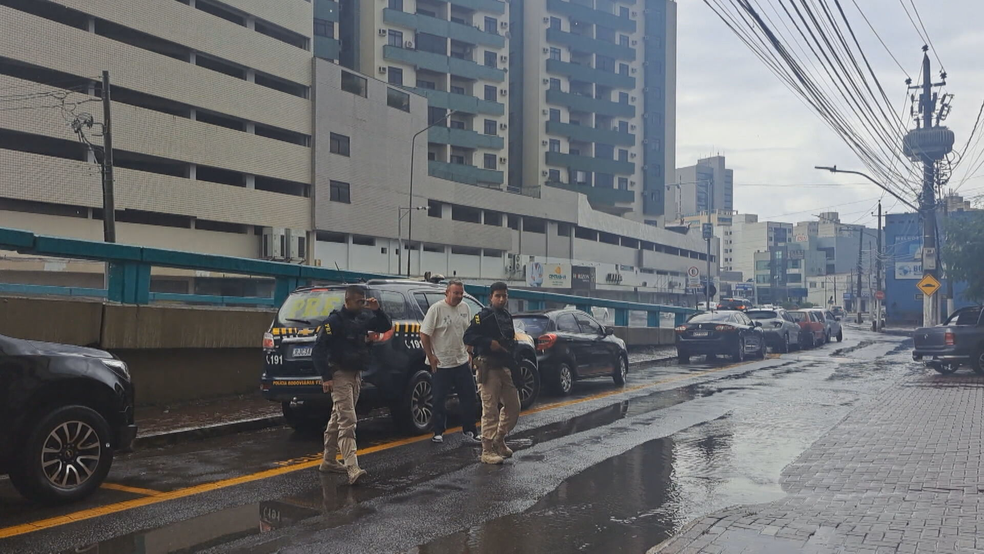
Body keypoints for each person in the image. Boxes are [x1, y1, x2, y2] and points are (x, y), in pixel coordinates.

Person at [312, 285, 393, 485]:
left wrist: (377, 310)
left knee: (337, 416)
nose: (362, 304)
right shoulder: (334, 322)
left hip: (356, 375)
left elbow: (384, 326)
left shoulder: (362, 319)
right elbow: (318, 349)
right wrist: (326, 377)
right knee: (348, 419)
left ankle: (329, 460)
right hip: (339, 374)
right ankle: (352, 466)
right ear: (347, 301)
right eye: (359, 301)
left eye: (364, 301)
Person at [463, 281, 521, 465]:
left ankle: (499, 438)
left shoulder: (506, 316)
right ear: (491, 297)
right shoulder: (483, 316)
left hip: (504, 365)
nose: (502, 299)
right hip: (488, 366)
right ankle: (486, 450)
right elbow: (468, 336)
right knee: (490, 410)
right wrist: (488, 342)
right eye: (498, 296)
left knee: (513, 407)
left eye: (504, 296)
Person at [419, 279, 481, 445]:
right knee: (439, 399)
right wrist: (430, 356)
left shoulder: (465, 308)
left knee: (469, 397)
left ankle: (470, 429)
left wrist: (469, 351)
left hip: (461, 361)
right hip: (441, 363)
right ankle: (438, 431)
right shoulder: (437, 309)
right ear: (447, 293)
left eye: (461, 293)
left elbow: (469, 332)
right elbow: (424, 334)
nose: (459, 296)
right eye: (456, 293)